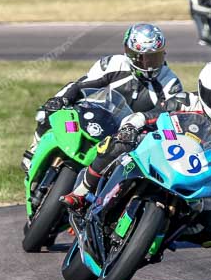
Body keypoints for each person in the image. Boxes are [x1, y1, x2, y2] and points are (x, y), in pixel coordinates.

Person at [60, 60, 211, 247]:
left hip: (201, 184)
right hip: (160, 155)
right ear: (201, 90)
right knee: (118, 145)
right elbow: (149, 116)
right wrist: (130, 128)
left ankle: (156, 236)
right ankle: (81, 192)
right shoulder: (184, 101)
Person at [21, 23, 183, 172]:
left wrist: (143, 125)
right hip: (100, 118)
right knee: (49, 109)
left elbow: (171, 116)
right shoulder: (113, 64)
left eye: (155, 57)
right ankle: (34, 148)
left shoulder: (169, 82)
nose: (149, 65)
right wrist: (61, 99)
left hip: (132, 137)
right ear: (129, 53)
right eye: (143, 58)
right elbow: (79, 85)